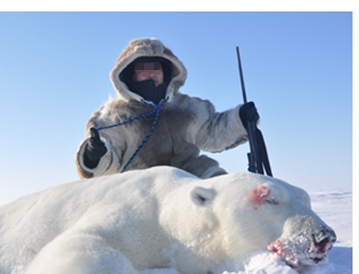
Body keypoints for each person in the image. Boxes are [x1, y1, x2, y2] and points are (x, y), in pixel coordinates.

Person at [75, 37, 259, 180]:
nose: (150, 74)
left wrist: (240, 119)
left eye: (156, 68)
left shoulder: (189, 107)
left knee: (223, 188)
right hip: (143, 183)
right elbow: (109, 157)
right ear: (130, 75)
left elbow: (212, 132)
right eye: (142, 69)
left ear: (166, 72)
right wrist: (94, 155)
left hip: (193, 174)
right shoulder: (113, 117)